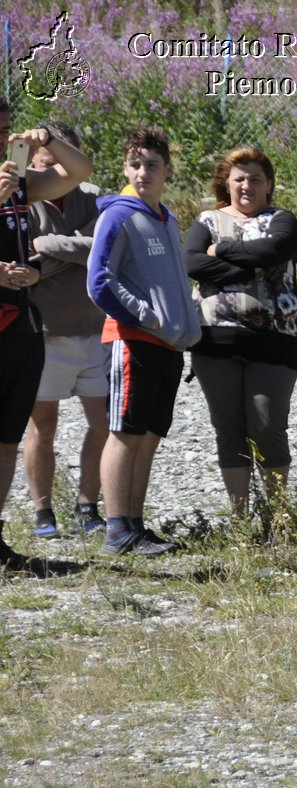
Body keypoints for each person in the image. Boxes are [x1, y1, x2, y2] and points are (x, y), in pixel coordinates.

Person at [87, 127, 202, 557]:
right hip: (133, 340)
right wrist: (146, 315)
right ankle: (116, 531)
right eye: (135, 164)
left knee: (149, 435)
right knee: (125, 433)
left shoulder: (166, 218)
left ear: (168, 170)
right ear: (124, 168)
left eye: (152, 165)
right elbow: (99, 282)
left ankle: (134, 526)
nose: (143, 173)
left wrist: (183, 315)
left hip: (168, 345)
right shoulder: (118, 215)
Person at [0, 100, 94, 569]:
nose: (2, 141)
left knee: (5, 437)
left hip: (19, 322)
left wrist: (48, 142)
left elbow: (80, 171)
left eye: (5, 131)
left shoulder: (20, 183)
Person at [185, 147, 297, 514]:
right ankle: (240, 518)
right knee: (229, 428)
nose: (247, 185)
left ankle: (278, 515)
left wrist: (221, 249)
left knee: (267, 426)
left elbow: (279, 248)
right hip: (215, 340)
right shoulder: (206, 218)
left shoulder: (282, 219)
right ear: (226, 183)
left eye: (255, 178)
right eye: (239, 179)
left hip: (274, 341)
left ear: (268, 184)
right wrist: (245, 269)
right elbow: (191, 262)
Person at [22, 120, 107, 540]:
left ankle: (88, 505)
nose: (53, 169)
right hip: (45, 332)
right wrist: (72, 249)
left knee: (104, 422)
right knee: (43, 425)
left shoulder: (95, 198)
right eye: (44, 162)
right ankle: (43, 512)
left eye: (62, 160)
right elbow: (23, 261)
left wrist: (48, 249)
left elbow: (104, 249)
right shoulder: (23, 197)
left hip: (95, 328)